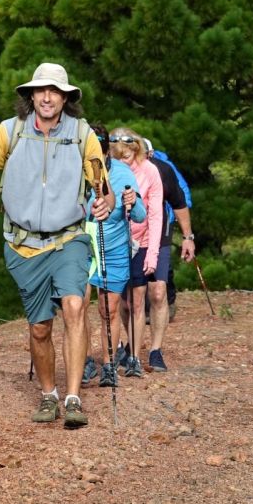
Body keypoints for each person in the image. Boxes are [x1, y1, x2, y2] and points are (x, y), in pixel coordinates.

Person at [0, 62, 114, 429]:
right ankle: (49, 395)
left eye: (55, 91)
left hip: (68, 239)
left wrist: (105, 203)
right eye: (41, 90)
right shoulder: (8, 132)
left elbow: (101, 188)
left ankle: (74, 398)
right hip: (23, 245)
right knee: (40, 328)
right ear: (31, 96)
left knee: (75, 307)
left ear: (66, 98)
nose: (47, 97)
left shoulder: (81, 135)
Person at [81, 124, 144, 389]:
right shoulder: (75, 171)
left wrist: (132, 201)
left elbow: (139, 215)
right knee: (76, 306)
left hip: (114, 247)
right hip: (82, 246)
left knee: (108, 308)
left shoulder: (121, 172)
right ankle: (83, 360)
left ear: (106, 150)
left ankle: (108, 364)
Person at [107, 127, 161, 378]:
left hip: (143, 240)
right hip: (117, 241)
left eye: (126, 157)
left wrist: (153, 255)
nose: (122, 162)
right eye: (117, 157)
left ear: (136, 150)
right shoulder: (110, 171)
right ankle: (119, 348)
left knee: (138, 301)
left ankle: (135, 358)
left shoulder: (150, 171)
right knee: (118, 301)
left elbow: (155, 213)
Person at [142, 137, 194, 371]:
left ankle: (155, 350)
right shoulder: (122, 167)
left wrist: (186, 235)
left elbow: (181, 196)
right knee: (126, 296)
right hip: (130, 232)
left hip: (162, 225)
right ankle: (129, 348)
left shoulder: (164, 168)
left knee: (158, 290)